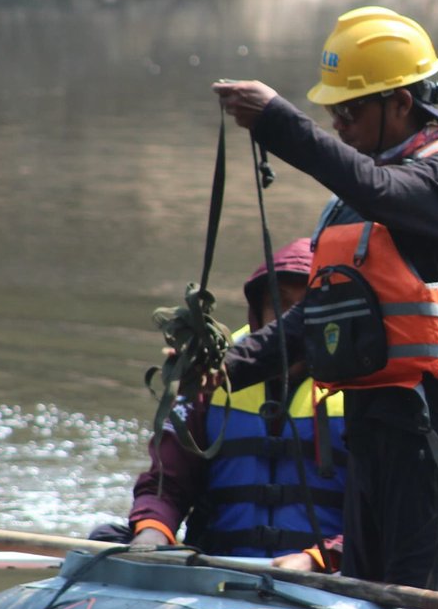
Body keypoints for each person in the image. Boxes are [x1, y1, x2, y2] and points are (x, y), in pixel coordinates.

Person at [211, 7, 438, 591]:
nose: (339, 123)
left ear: (401, 103)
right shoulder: (352, 205)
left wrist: (277, 121)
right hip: (371, 425)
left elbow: (375, 187)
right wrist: (227, 366)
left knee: (411, 593)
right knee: (364, 587)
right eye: (331, 112)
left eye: (350, 110)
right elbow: (314, 317)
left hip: (434, 433)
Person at [118, 238, 347, 557]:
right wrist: (151, 533)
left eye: (306, 308)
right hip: (220, 574)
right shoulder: (210, 372)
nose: (290, 324)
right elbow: (166, 485)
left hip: (327, 581)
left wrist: (319, 560)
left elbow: (386, 517)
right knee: (113, 536)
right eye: (279, 305)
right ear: (258, 312)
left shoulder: (367, 384)